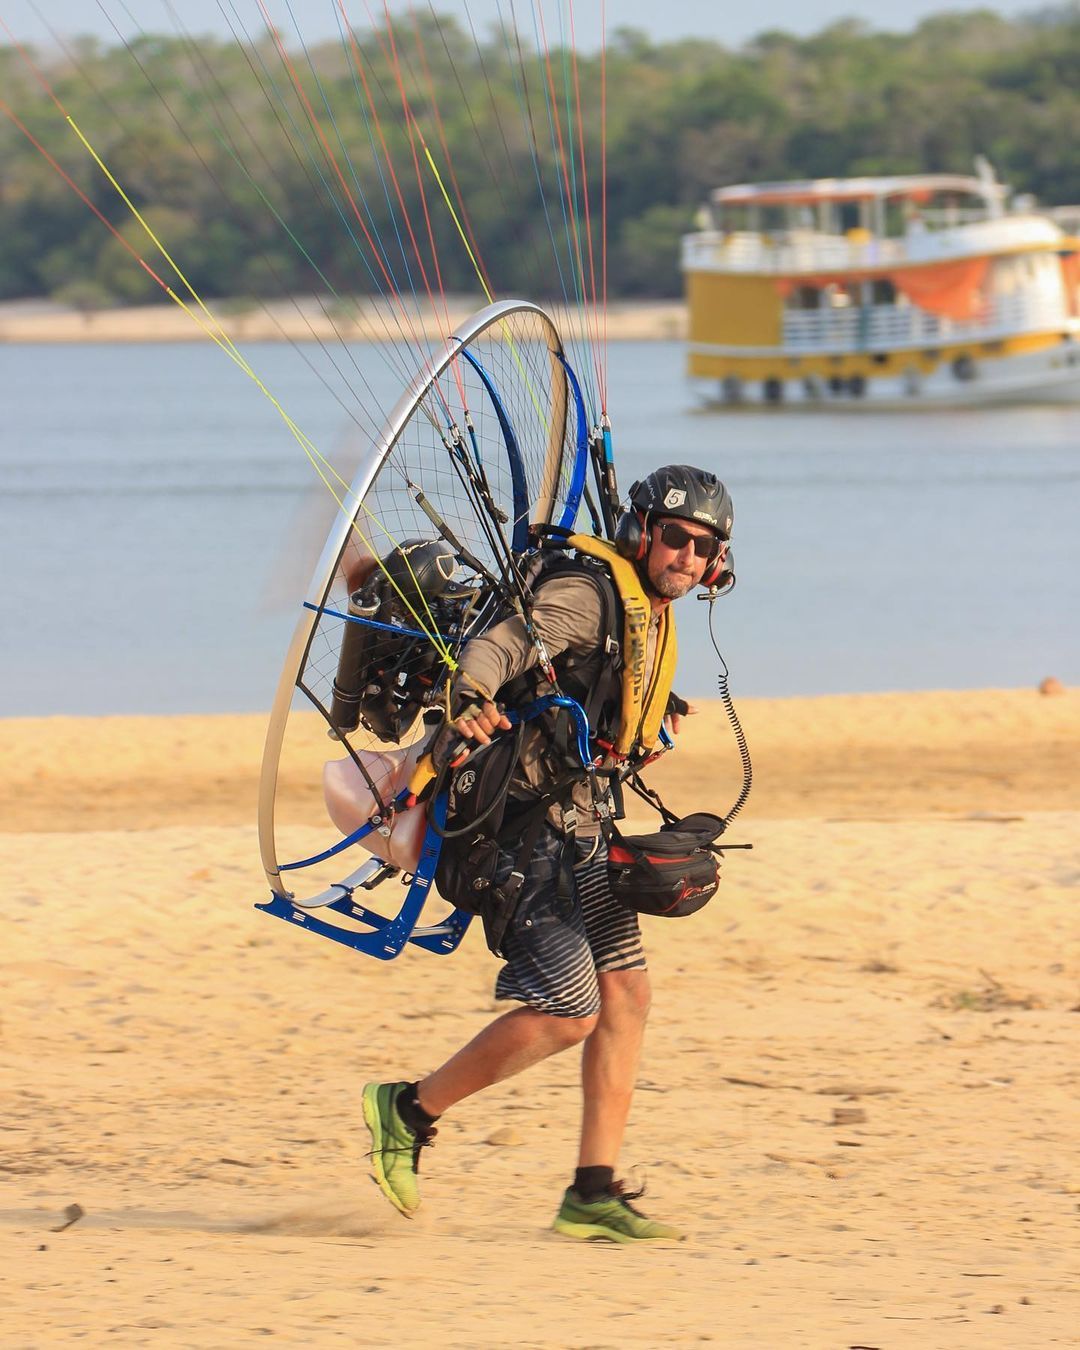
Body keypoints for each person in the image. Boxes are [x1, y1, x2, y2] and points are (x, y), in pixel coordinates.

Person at [362, 464, 733, 1243]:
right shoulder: (587, 595)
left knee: (626, 994)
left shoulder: (649, 611)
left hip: (580, 826)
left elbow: (596, 686)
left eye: (704, 547)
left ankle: (592, 1193)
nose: (688, 557)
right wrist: (469, 700)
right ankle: (408, 1109)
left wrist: (649, 713)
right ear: (642, 532)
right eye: (676, 537)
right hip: (513, 836)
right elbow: (503, 647)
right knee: (570, 1010)